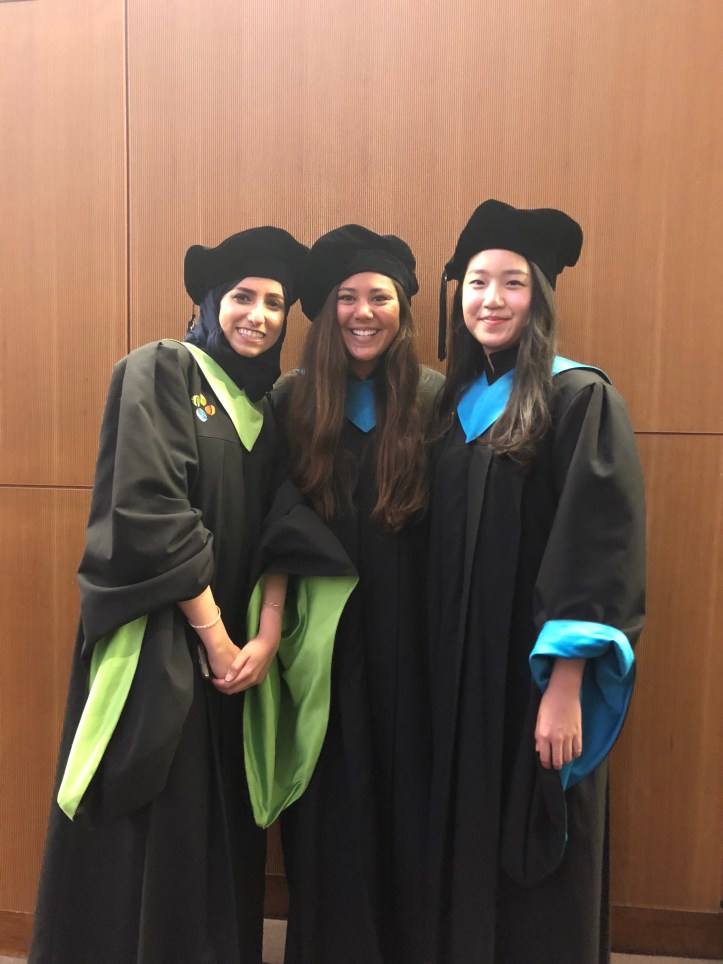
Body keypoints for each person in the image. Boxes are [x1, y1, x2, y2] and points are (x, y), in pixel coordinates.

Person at [30, 227, 356, 964]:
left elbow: (287, 526)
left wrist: (264, 638)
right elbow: (151, 510)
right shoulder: (162, 371)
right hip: (163, 646)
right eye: (242, 296)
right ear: (210, 302)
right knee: (157, 823)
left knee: (220, 833)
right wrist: (216, 640)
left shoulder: (268, 409)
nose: (259, 315)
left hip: (236, 658)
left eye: (274, 303)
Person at [427, 199, 646, 963]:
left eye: (512, 283)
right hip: (462, 684)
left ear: (540, 296)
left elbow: (596, 547)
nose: (491, 299)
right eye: (476, 282)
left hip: (533, 680)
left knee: (536, 848)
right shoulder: (451, 407)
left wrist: (564, 685)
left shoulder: (578, 397)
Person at [272, 225, 444, 964]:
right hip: (323, 639)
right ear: (326, 310)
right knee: (329, 804)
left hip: (412, 639)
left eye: (380, 296)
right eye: (347, 296)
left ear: (403, 308)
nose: (363, 312)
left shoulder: (436, 400)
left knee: (407, 798)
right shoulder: (294, 400)